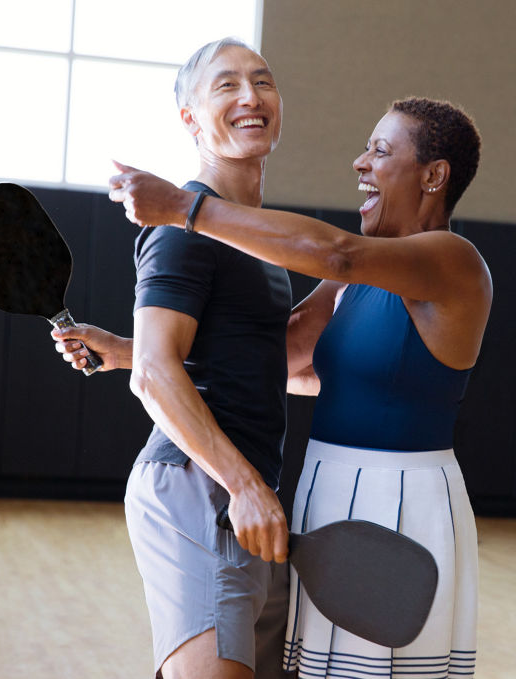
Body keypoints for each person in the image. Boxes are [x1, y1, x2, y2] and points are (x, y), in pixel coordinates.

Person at [106, 97, 491, 678]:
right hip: (322, 496)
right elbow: (276, 360)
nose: (360, 163)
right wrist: (138, 354)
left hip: (404, 505)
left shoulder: (453, 261)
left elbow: (335, 253)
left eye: (381, 151)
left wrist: (186, 207)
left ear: (434, 176)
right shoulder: (350, 287)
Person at [53, 38, 295, 679]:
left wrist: (129, 351)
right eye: (226, 85)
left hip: (241, 484)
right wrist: (244, 487)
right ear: (189, 119)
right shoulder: (181, 233)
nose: (251, 96)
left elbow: (238, 357)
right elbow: (157, 378)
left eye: (263, 81)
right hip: (202, 484)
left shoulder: (252, 233)